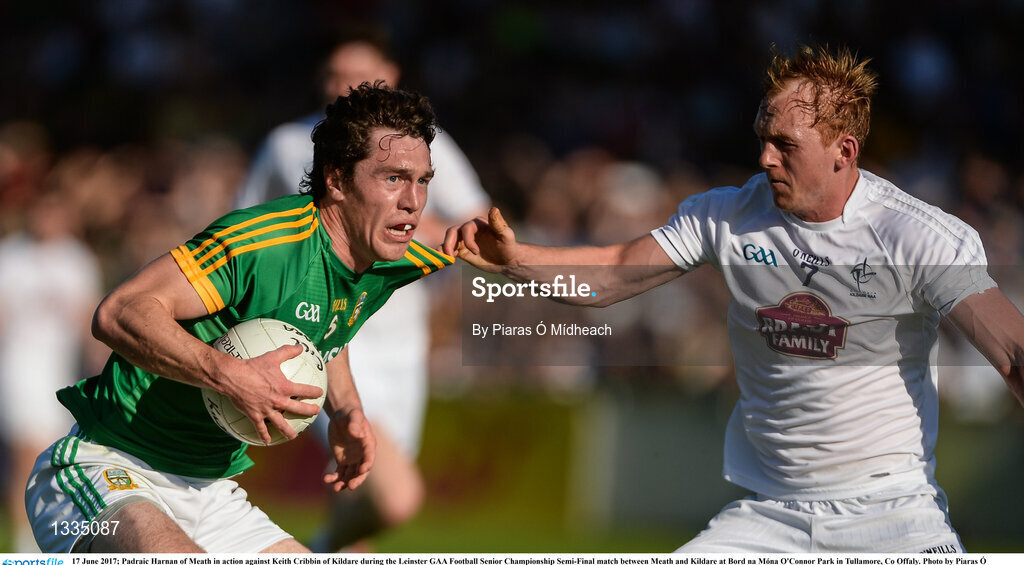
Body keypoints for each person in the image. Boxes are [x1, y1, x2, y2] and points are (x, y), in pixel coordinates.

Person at [443, 45, 1024, 553]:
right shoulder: (726, 214)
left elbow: (1011, 351)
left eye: (785, 144)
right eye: (762, 140)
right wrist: (519, 261)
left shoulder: (918, 236)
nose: (765, 158)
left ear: (844, 151)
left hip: (893, 516)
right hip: (769, 516)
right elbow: (615, 274)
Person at [24, 82, 454, 553]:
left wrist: (346, 410)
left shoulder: (380, 253)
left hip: (209, 492)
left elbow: (326, 325)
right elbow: (119, 312)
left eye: (424, 181)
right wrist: (230, 376)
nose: (413, 199)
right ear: (336, 179)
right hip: (108, 469)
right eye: (393, 178)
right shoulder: (263, 243)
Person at [234, 27, 489, 551]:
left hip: (401, 339)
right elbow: (241, 228)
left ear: (390, 77)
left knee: (358, 485)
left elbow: (475, 225)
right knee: (392, 494)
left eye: (357, 74)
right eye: (334, 75)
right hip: (323, 329)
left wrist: (397, 211)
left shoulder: (423, 143)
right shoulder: (287, 143)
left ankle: (329, 548)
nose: (343, 85)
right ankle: (324, 545)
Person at [0, 189, 104, 552]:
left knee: (53, 455)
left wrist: (100, 364)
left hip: (59, 369)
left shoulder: (76, 260)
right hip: (18, 367)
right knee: (25, 453)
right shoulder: (11, 256)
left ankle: (51, 535)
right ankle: (25, 543)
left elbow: (86, 318)